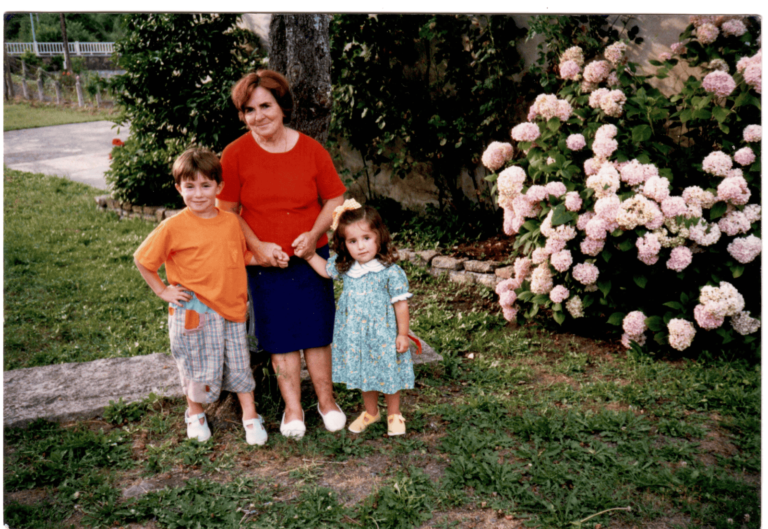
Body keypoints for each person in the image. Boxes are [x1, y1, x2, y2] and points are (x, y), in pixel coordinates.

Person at [217, 70, 347, 439]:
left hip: (311, 258)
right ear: (242, 115)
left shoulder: (310, 149)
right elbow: (227, 210)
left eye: (266, 106)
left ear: (282, 107)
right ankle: (293, 408)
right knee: (280, 337)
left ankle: (326, 402)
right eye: (249, 109)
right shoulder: (236, 153)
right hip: (265, 263)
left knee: (317, 333)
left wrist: (314, 234)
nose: (259, 116)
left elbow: (334, 198)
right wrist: (258, 247)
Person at [134, 147, 268, 446]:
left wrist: (265, 258)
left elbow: (238, 256)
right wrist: (162, 289)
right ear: (179, 188)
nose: (198, 194)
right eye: (190, 186)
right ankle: (194, 412)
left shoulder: (231, 221)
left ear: (219, 187)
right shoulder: (173, 226)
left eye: (206, 185)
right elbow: (143, 260)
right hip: (194, 310)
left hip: (232, 309)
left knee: (239, 362)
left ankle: (250, 414)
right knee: (195, 364)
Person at [304, 201, 419, 436]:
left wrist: (402, 334)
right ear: (345, 244)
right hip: (357, 334)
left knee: (388, 373)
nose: (361, 246)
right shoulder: (346, 267)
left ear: (379, 236)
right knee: (366, 374)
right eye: (352, 241)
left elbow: (401, 304)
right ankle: (371, 412)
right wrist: (308, 256)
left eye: (366, 238)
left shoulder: (390, 271)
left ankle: (394, 414)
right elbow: (325, 270)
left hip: (384, 335)